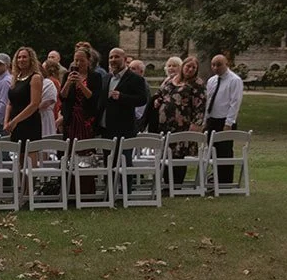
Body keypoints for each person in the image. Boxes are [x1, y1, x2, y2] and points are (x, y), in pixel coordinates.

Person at [161, 55, 207, 185]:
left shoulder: (197, 84)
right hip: (166, 124)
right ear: (183, 67)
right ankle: (166, 183)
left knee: (178, 154)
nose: (190, 69)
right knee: (166, 153)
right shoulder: (171, 80)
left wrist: (196, 124)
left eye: (194, 67)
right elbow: (161, 93)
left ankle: (176, 183)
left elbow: (200, 105)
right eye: (188, 66)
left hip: (183, 125)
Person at [203, 54, 245, 183]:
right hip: (212, 119)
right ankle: (215, 176)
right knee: (212, 150)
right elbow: (208, 101)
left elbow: (235, 103)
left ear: (226, 64)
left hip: (225, 120)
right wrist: (205, 120)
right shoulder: (212, 80)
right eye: (213, 65)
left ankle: (225, 180)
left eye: (219, 64)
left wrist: (229, 123)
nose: (216, 68)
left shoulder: (234, 80)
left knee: (225, 151)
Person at [102, 48, 151, 139]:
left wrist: (122, 97)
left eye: (117, 57)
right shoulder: (106, 78)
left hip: (124, 129)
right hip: (106, 128)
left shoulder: (136, 79)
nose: (113, 59)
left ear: (124, 59)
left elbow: (142, 100)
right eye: (111, 57)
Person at [60, 46, 103, 141]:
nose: (79, 63)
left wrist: (80, 83)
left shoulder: (95, 76)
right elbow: (62, 96)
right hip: (71, 118)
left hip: (87, 118)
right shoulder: (67, 75)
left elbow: (93, 97)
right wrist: (67, 83)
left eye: (82, 61)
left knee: (86, 146)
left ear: (88, 61)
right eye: (76, 61)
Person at [2, 47, 45, 143]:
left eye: (24, 57)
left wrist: (15, 121)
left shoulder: (35, 77)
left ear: (31, 59)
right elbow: (10, 102)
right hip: (15, 124)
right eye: (19, 57)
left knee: (30, 155)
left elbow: (34, 104)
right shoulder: (15, 78)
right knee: (18, 155)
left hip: (29, 122)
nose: (21, 60)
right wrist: (6, 122)